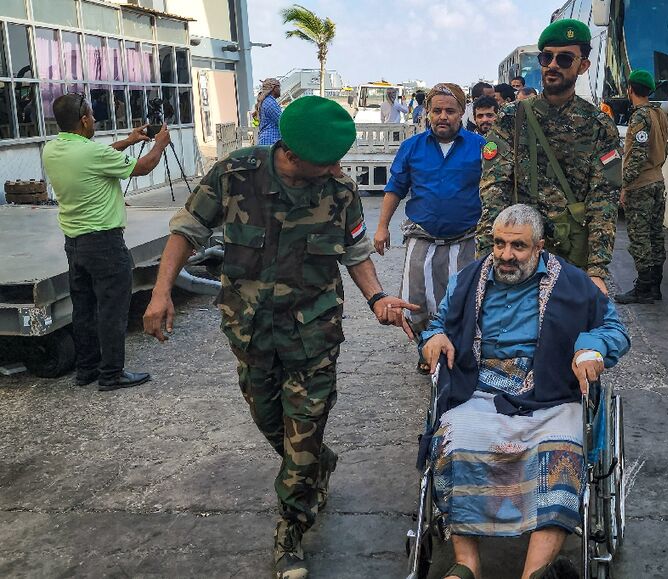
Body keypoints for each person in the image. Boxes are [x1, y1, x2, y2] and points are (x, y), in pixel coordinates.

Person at [142, 96, 418, 579]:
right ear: (290, 152)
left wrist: (378, 299)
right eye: (326, 160)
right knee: (271, 420)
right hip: (249, 330)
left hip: (314, 332)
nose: (336, 168)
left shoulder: (339, 190)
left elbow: (355, 253)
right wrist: (161, 291)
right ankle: (317, 464)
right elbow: (188, 229)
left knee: (304, 427)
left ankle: (291, 529)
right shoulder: (234, 174)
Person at [420, 204, 630, 579]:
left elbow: (614, 328)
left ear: (539, 247)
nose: (505, 255)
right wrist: (433, 335)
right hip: (479, 386)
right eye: (498, 244)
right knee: (454, 443)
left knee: (561, 450)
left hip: (551, 388)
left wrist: (591, 349)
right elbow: (439, 321)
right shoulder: (469, 279)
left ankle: (535, 572)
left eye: (518, 246)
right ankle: (467, 564)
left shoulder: (573, 282)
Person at [477, 19, 623, 297]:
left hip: (571, 259)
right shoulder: (512, 118)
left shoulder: (598, 125)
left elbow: (603, 200)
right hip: (518, 254)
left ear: (582, 66)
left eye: (564, 58)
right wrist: (486, 258)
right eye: (547, 57)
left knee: (567, 334)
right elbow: (494, 190)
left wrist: (597, 270)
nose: (553, 64)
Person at [42, 93, 170, 391]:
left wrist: (127, 141)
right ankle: (112, 374)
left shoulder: (53, 149)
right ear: (84, 119)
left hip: (74, 243)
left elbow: (95, 158)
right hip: (105, 244)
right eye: (93, 115)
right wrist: (159, 144)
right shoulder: (91, 155)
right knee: (112, 309)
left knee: (84, 308)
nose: (96, 119)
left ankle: (87, 369)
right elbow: (144, 167)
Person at [374, 83, 486, 373]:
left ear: (462, 112)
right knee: (417, 299)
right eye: (436, 110)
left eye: (450, 110)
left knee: (464, 298)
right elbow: (395, 187)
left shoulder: (480, 147)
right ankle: (427, 348)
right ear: (427, 112)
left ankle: (459, 351)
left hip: (466, 238)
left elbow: (492, 190)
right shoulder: (412, 147)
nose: (442, 116)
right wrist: (382, 227)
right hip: (422, 235)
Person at [614, 69, 668, 304]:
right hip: (657, 179)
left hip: (641, 184)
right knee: (656, 235)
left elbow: (636, 155)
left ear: (630, 89)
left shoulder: (639, 117)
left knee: (639, 237)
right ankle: (655, 285)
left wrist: (624, 186)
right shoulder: (659, 113)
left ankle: (643, 288)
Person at [254, 78, 282, 146]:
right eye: (278, 87)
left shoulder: (266, 101)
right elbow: (281, 121)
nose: (280, 89)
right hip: (271, 141)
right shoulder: (270, 102)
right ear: (273, 88)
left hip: (267, 141)